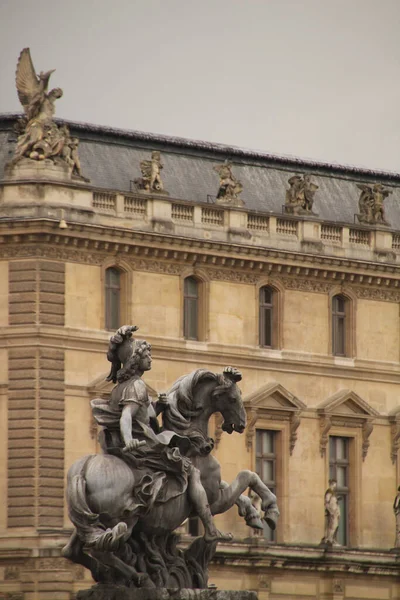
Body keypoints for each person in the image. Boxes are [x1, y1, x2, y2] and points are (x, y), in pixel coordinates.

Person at [91, 325, 232, 543]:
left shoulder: (122, 386)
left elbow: (144, 416)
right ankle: (210, 528)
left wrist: (158, 407)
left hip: (139, 439)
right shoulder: (137, 386)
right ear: (136, 360)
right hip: (144, 444)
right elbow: (127, 416)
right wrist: (130, 441)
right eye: (147, 355)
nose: (151, 360)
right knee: (192, 472)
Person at [321, 479, 340, 545]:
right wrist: (330, 511)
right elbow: (326, 503)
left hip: (334, 512)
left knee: (334, 525)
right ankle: (329, 538)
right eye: (334, 484)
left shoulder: (332, 493)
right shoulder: (329, 492)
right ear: (332, 484)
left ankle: (331, 538)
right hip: (331, 512)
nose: (335, 485)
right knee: (332, 525)